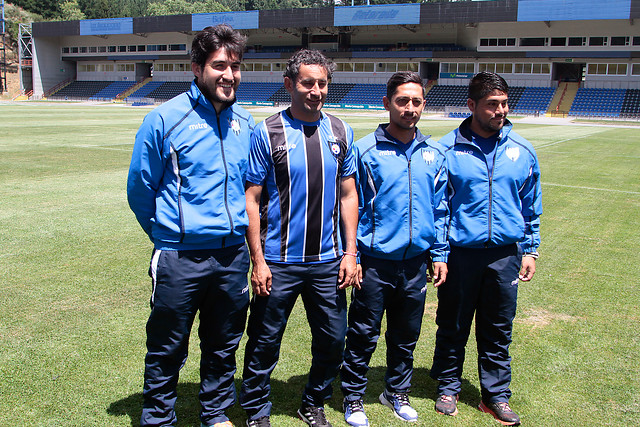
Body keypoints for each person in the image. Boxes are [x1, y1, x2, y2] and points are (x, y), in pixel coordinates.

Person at [127, 25, 254, 427]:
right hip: (179, 257)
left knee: (223, 344)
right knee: (167, 346)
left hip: (233, 256)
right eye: (219, 65)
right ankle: (158, 418)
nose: (229, 75)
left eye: (235, 66)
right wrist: (169, 234)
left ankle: (215, 414)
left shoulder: (247, 125)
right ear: (197, 67)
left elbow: (253, 195)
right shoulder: (164, 119)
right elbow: (140, 191)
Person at [238, 49, 359, 427]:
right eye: (308, 82)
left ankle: (313, 401)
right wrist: (258, 261)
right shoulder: (268, 131)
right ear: (290, 84)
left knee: (333, 340)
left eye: (322, 83)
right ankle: (257, 408)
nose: (316, 90)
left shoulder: (340, 131)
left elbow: (348, 195)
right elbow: (252, 199)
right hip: (278, 261)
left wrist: (351, 252)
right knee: (263, 341)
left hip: (328, 262)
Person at [431, 71, 542, 426]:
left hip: (505, 255)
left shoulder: (522, 150)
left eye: (504, 104)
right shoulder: (445, 149)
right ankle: (448, 385)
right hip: (460, 255)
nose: (500, 111)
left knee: (498, 328)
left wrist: (530, 249)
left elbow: (530, 206)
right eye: (492, 104)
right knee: (453, 323)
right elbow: (439, 207)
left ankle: (495, 395)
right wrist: (440, 253)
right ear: (472, 105)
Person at [340, 71, 449, 427]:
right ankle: (353, 397)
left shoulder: (433, 153)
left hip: (416, 263)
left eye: (416, 101)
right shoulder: (365, 150)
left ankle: (396, 391)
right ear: (387, 104)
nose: (410, 108)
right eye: (403, 101)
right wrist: (351, 253)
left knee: (406, 335)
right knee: (363, 333)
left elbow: (440, 208)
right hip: (374, 262)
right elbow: (349, 205)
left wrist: (440, 253)